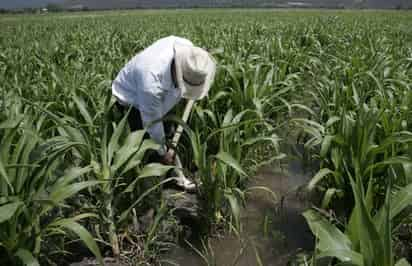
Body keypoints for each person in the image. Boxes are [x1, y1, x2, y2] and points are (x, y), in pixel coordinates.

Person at [112, 36, 216, 191]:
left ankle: (177, 178)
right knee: (148, 148)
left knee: (168, 133)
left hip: (161, 95)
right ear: (179, 72)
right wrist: (162, 153)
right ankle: (148, 191)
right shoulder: (151, 83)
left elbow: (194, 63)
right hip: (133, 101)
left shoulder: (188, 52)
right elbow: (152, 124)